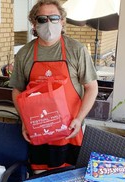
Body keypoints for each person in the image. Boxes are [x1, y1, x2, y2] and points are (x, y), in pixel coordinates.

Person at [9, 0, 98, 171]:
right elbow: (17, 90)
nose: (48, 23)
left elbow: (91, 87)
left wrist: (79, 119)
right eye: (42, 19)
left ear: (62, 21)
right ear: (34, 23)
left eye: (54, 18)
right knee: (39, 176)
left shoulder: (76, 49)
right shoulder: (24, 53)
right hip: (38, 130)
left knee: (69, 179)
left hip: (71, 129)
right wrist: (25, 122)